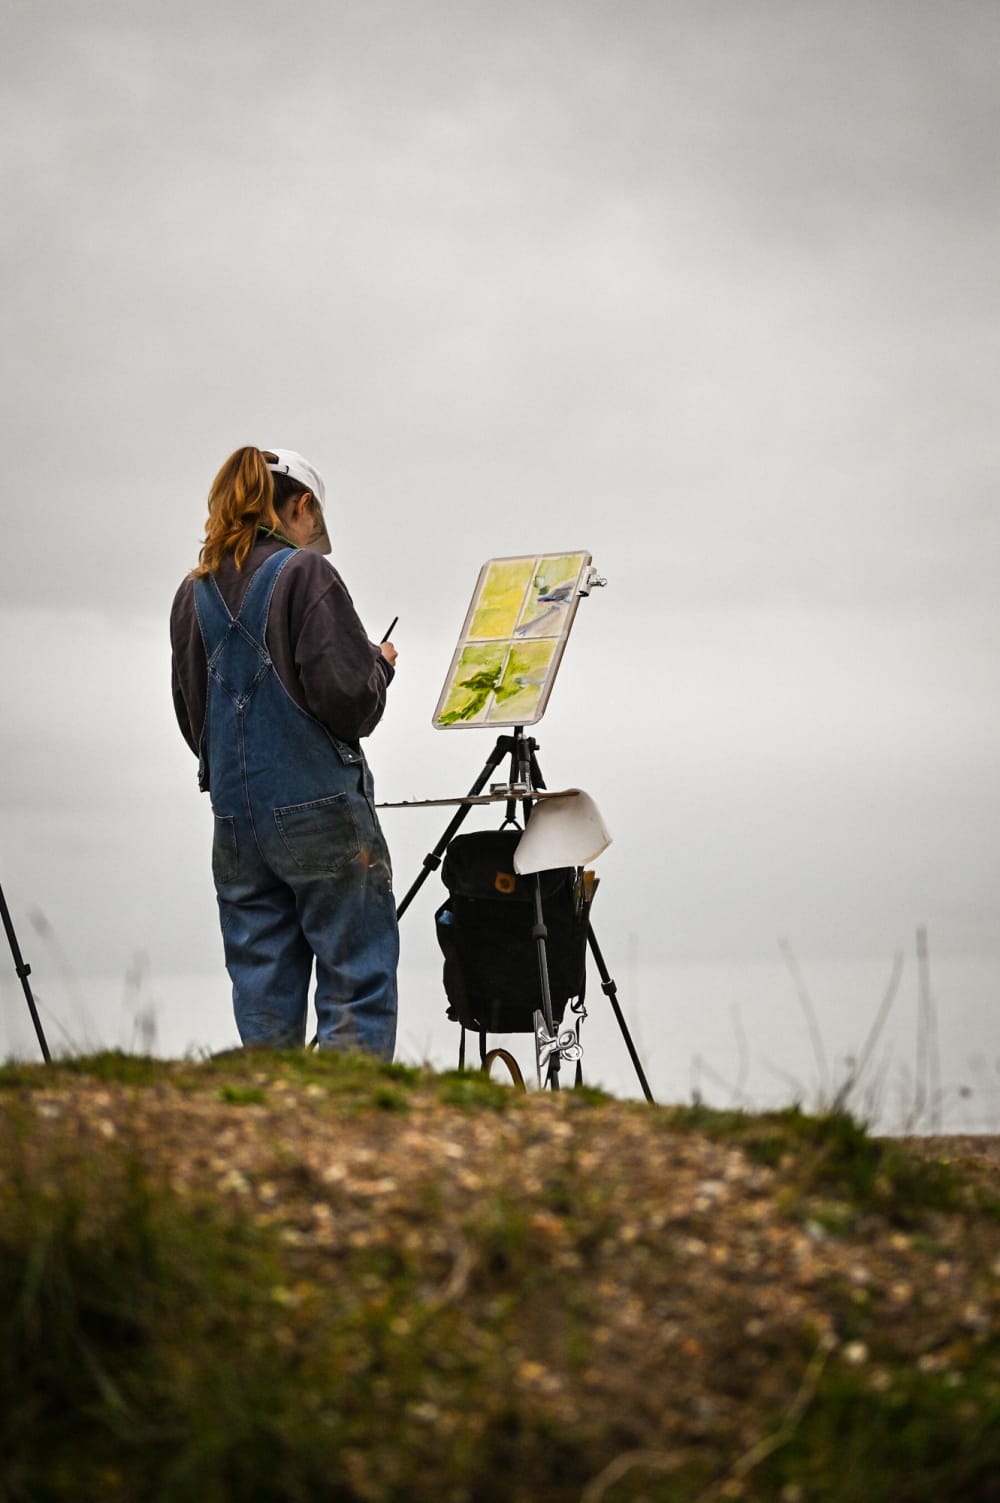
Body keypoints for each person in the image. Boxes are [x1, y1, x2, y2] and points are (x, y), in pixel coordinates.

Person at [170, 445, 399, 1057]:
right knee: (355, 984)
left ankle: (272, 1110)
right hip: (320, 812)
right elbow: (349, 701)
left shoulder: (192, 595)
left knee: (262, 993)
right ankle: (350, 1111)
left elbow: (194, 719)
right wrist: (378, 667)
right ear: (300, 507)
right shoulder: (306, 574)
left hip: (235, 824)